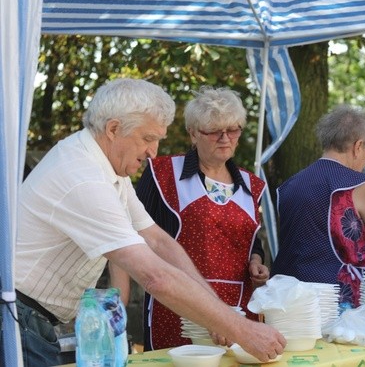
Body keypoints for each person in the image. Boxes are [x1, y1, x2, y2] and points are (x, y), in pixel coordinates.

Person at [9, 78, 285, 366]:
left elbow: (157, 239)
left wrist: (218, 314)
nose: (153, 152)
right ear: (113, 129)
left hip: (30, 317)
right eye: (147, 138)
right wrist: (239, 328)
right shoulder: (84, 177)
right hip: (20, 316)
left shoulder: (106, 166)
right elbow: (156, 277)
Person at [135, 86, 269, 350]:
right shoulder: (162, 174)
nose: (225, 138)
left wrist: (257, 262)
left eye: (233, 130)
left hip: (239, 309)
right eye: (214, 131)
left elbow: (252, 242)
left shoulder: (252, 186)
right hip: (179, 308)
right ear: (193, 133)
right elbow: (135, 235)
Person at [271, 105, 365, 308]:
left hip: (287, 296)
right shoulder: (357, 185)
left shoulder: (289, 185)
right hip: (337, 300)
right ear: (358, 146)